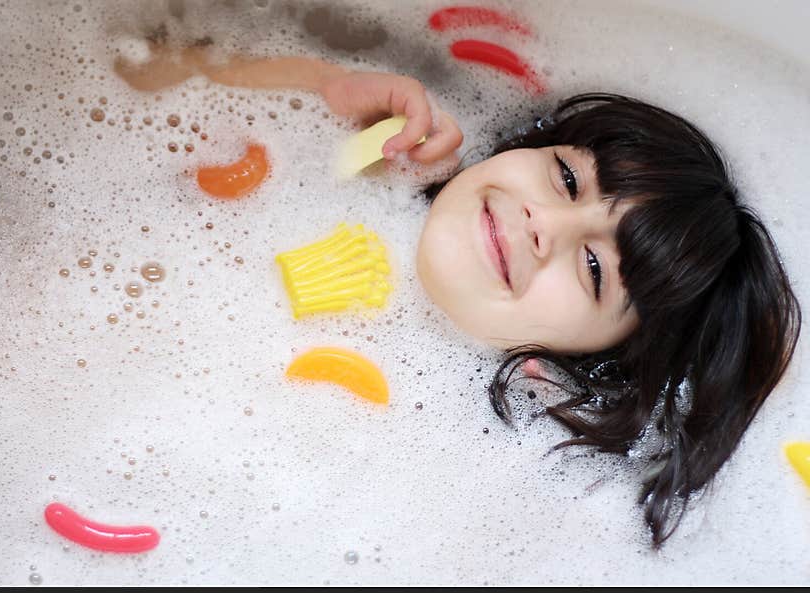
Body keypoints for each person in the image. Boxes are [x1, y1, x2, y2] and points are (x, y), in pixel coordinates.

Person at [116, 44, 802, 546]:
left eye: (594, 269)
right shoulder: (336, 157)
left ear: (597, 359)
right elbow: (142, 71)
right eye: (567, 180)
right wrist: (323, 82)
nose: (544, 225)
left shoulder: (464, 482)